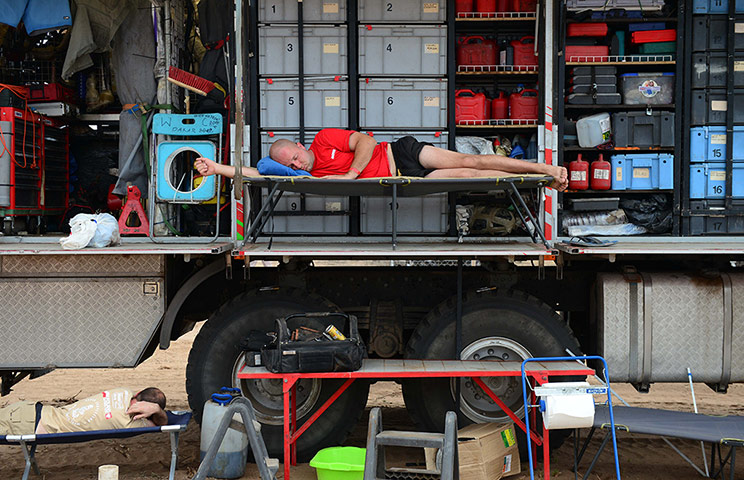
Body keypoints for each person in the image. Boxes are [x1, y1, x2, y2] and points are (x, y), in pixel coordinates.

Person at [194, 128, 569, 191]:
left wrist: (353, 174)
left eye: (294, 156)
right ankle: (542, 180)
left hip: (400, 153)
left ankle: (547, 169)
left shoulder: (323, 141)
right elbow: (254, 170)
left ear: (299, 146)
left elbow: (365, 140)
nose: (296, 165)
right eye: (290, 165)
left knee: (480, 163)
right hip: (407, 178)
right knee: (474, 177)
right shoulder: (304, 173)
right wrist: (216, 167)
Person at [0, 387, 168, 436]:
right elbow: (160, 424)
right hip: (24, 425)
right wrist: (157, 410)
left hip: (27, 410)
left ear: (137, 394)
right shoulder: (127, 423)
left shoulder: (123, 391)